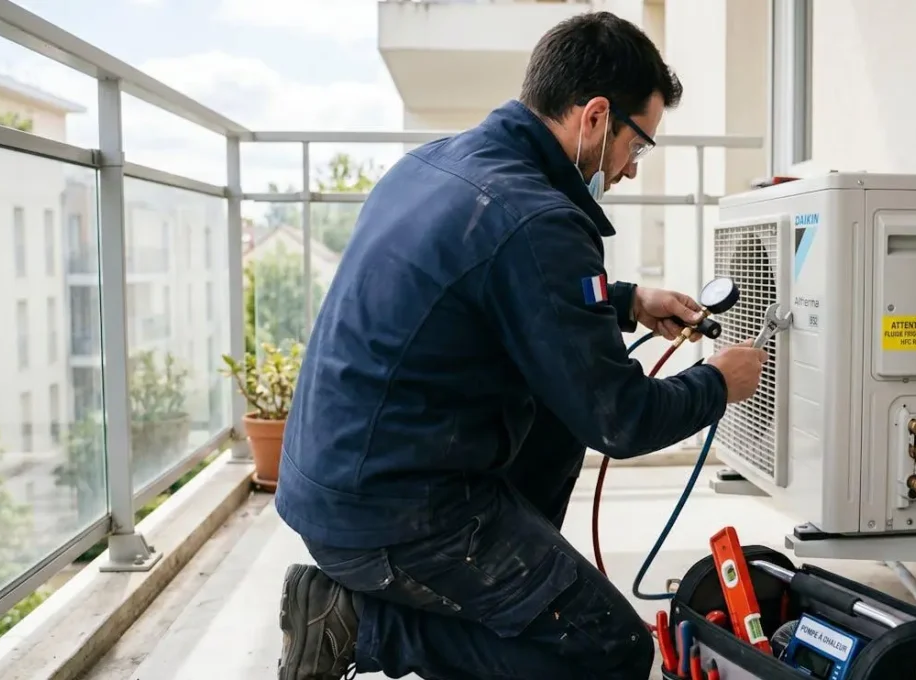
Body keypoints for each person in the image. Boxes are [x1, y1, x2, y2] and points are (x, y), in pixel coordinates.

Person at [273, 11, 769, 680]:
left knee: (556, 416)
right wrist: (721, 382)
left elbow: (495, 281)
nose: (629, 169)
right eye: (639, 144)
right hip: (390, 513)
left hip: (334, 482)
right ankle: (361, 626)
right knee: (609, 650)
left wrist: (626, 302)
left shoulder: (436, 164)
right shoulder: (538, 219)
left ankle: (511, 590)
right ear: (595, 117)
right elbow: (619, 418)